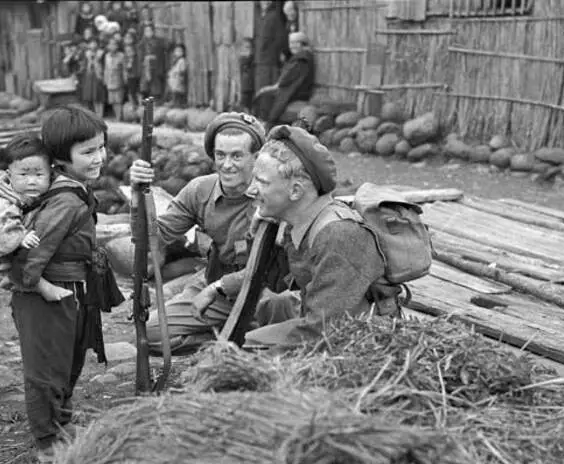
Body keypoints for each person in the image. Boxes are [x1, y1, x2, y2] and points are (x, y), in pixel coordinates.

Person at [191, 126, 386, 349]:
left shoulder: (338, 235)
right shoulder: (297, 224)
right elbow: (269, 278)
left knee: (247, 348)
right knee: (259, 326)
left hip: (363, 341)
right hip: (327, 326)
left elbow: (325, 331)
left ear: (295, 191)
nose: (251, 191)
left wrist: (249, 361)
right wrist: (255, 235)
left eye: (262, 182)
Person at [128, 112, 291, 355]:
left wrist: (218, 287)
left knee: (280, 313)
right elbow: (152, 239)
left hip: (262, 289)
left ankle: (244, 338)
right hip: (217, 286)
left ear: (256, 158)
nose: (227, 165)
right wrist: (136, 197)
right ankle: (225, 342)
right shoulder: (199, 191)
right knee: (149, 334)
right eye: (220, 155)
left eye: (237, 156)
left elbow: (268, 266)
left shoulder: (273, 193)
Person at [9, 106, 110, 456]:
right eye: (87, 151)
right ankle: (48, 444)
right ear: (60, 158)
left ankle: (61, 425)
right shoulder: (65, 201)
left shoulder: (76, 190)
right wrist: (38, 286)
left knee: (68, 362)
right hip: (47, 297)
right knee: (46, 371)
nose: (99, 157)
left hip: (72, 292)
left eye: (101, 147)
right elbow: (32, 254)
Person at [0, 134, 69, 302]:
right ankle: (36, 285)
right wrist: (20, 237)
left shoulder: (39, 192)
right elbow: (2, 227)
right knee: (17, 270)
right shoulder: (1, 201)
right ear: (9, 175)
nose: (31, 182)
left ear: (50, 173)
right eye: (23, 175)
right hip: (3, 255)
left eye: (39, 175)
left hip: (23, 250)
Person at [261, 31, 315, 126]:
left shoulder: (302, 60)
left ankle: (269, 124)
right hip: (295, 91)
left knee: (269, 99)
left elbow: (289, 80)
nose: (292, 46)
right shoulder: (299, 58)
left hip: (299, 94)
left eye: (295, 43)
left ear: (302, 44)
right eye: (291, 43)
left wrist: (276, 87)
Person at [254, 0, 289, 92]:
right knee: (260, 87)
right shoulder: (258, 15)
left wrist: (274, 52)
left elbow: (281, 38)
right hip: (259, 59)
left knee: (267, 88)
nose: (266, 2)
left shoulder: (274, 16)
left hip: (270, 60)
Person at [138, 23, 167, 102]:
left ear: (153, 31)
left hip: (156, 66)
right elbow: (140, 55)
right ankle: (146, 103)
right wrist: (145, 59)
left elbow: (166, 47)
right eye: (146, 30)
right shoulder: (142, 43)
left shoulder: (159, 41)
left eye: (150, 30)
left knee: (156, 84)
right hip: (146, 66)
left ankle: (157, 101)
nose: (148, 32)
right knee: (145, 85)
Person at [79, 39, 106, 117]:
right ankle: (93, 115)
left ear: (97, 44)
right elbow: (83, 65)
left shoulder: (101, 53)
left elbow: (105, 65)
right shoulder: (86, 53)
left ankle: (100, 114)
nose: (92, 45)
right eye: (91, 43)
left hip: (99, 75)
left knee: (99, 95)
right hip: (89, 76)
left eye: (94, 43)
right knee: (90, 96)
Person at [103, 36, 127, 120]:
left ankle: (119, 117)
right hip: (110, 79)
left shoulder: (121, 55)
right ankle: (116, 115)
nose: (112, 46)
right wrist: (105, 79)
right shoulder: (107, 56)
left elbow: (124, 68)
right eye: (110, 44)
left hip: (118, 79)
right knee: (112, 100)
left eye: (114, 44)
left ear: (117, 46)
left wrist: (125, 79)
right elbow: (106, 68)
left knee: (118, 99)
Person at [166, 43, 188, 107]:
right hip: (174, 79)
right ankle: (174, 102)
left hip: (178, 79)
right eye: (176, 51)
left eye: (180, 51)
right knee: (174, 92)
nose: (178, 52)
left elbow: (182, 70)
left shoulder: (182, 60)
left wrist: (178, 74)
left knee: (178, 92)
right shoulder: (175, 60)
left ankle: (178, 104)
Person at [238, 38, 255, 112]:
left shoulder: (252, 57)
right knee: (245, 101)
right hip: (244, 85)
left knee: (250, 101)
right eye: (246, 47)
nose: (248, 49)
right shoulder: (242, 58)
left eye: (249, 47)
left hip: (250, 84)